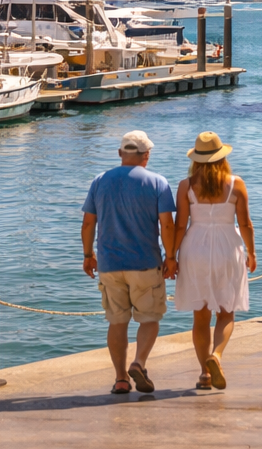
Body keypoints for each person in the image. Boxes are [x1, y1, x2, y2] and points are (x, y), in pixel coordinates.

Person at [82, 130, 177, 396]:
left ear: (120, 154)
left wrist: (88, 254)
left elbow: (89, 222)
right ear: (146, 156)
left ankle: (121, 379)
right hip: (146, 263)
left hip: (110, 265)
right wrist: (170, 257)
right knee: (149, 318)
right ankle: (140, 362)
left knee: (117, 322)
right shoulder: (158, 182)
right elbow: (167, 224)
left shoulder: (100, 181)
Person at [171, 132, 257, 391]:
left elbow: (179, 225)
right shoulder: (236, 184)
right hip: (227, 247)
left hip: (194, 247)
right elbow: (245, 224)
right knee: (226, 311)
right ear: (222, 157)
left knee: (201, 314)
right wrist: (252, 253)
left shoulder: (186, 186)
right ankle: (216, 356)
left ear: (196, 159)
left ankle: (204, 375)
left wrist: (171, 257)